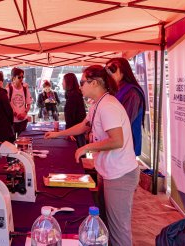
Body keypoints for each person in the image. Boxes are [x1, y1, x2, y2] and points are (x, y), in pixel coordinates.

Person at [45, 65, 139, 246]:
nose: (80, 87)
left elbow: (117, 141)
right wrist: (56, 134)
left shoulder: (108, 106)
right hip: (110, 172)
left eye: (82, 83)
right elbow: (84, 126)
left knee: (119, 230)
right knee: (106, 223)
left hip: (120, 174)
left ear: (94, 82)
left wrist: (86, 148)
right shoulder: (99, 104)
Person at [106, 57, 145, 156]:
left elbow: (124, 121)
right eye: (107, 70)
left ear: (123, 70)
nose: (109, 73)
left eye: (113, 69)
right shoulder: (115, 89)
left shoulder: (132, 92)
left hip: (125, 144)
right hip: (116, 142)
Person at [62, 73, 86, 148]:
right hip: (77, 130)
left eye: (63, 81)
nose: (62, 83)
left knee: (79, 150)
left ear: (68, 82)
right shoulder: (73, 95)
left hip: (76, 132)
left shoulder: (74, 96)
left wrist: (69, 131)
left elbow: (72, 116)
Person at [7, 67, 33, 136]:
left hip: (23, 121)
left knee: (22, 142)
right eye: (19, 77)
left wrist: (24, 113)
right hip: (12, 121)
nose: (21, 79)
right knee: (11, 143)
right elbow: (7, 106)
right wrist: (15, 114)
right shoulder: (9, 89)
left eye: (22, 77)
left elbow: (29, 104)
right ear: (13, 78)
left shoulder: (25, 89)